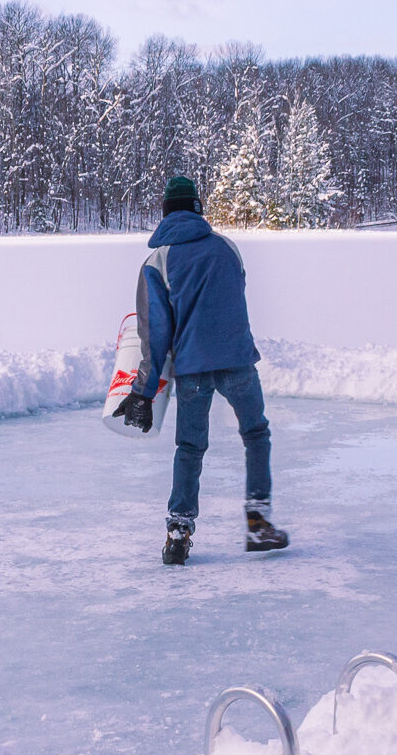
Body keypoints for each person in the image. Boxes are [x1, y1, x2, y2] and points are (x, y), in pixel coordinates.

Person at [113, 176, 289, 565]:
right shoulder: (228, 248)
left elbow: (155, 334)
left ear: (165, 213)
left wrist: (142, 391)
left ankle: (178, 533)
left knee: (190, 448)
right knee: (256, 434)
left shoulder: (156, 262)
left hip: (192, 369)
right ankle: (258, 523)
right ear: (197, 207)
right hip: (238, 360)